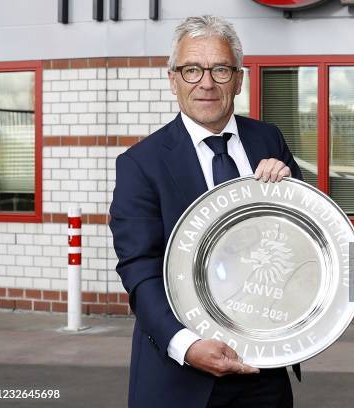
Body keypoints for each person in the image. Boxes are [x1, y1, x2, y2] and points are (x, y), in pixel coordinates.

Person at [109, 15, 302, 408]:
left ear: (239, 78)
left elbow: (303, 242)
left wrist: (290, 194)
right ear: (173, 79)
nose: (207, 82)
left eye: (220, 69)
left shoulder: (269, 139)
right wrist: (187, 345)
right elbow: (139, 269)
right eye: (192, 69)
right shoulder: (140, 163)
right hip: (180, 379)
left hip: (264, 370)